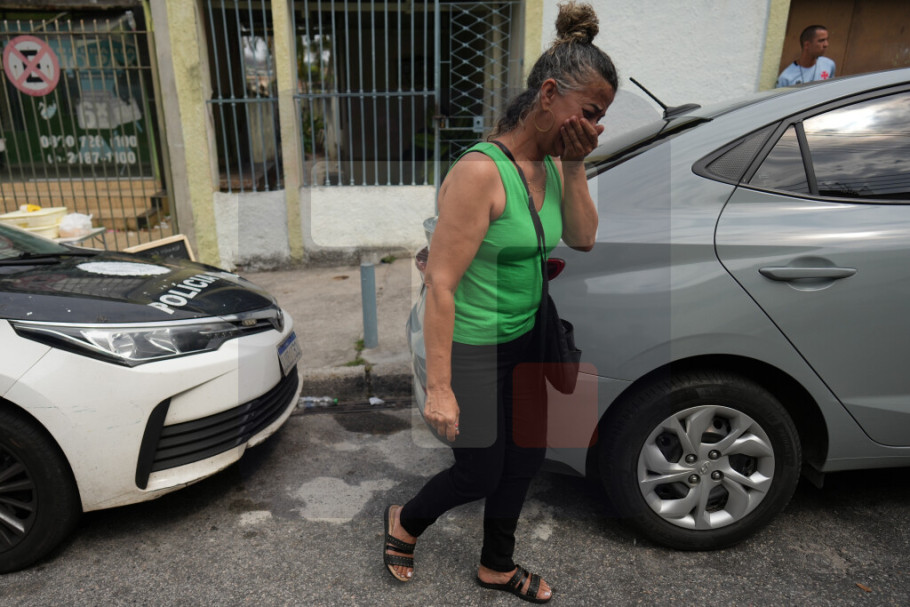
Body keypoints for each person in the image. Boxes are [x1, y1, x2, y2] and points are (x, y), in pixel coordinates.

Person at [382, 1, 616, 603]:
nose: (596, 127)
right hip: (475, 345)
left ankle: (496, 565)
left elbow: (583, 238)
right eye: (591, 112)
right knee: (480, 470)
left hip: (529, 335)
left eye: (602, 117)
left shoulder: (554, 165)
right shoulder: (481, 173)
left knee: (527, 457)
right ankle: (405, 521)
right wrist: (440, 387)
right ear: (549, 95)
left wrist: (576, 166)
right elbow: (441, 283)